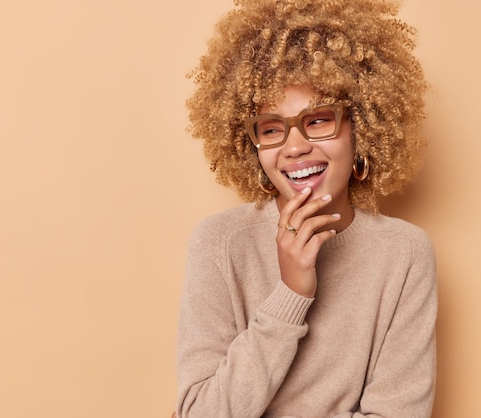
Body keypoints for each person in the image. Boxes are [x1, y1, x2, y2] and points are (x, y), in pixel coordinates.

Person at [175, 0, 437, 417]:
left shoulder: (404, 254)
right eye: (272, 128)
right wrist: (291, 294)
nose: (294, 147)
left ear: (362, 129)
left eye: (317, 120)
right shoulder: (219, 244)